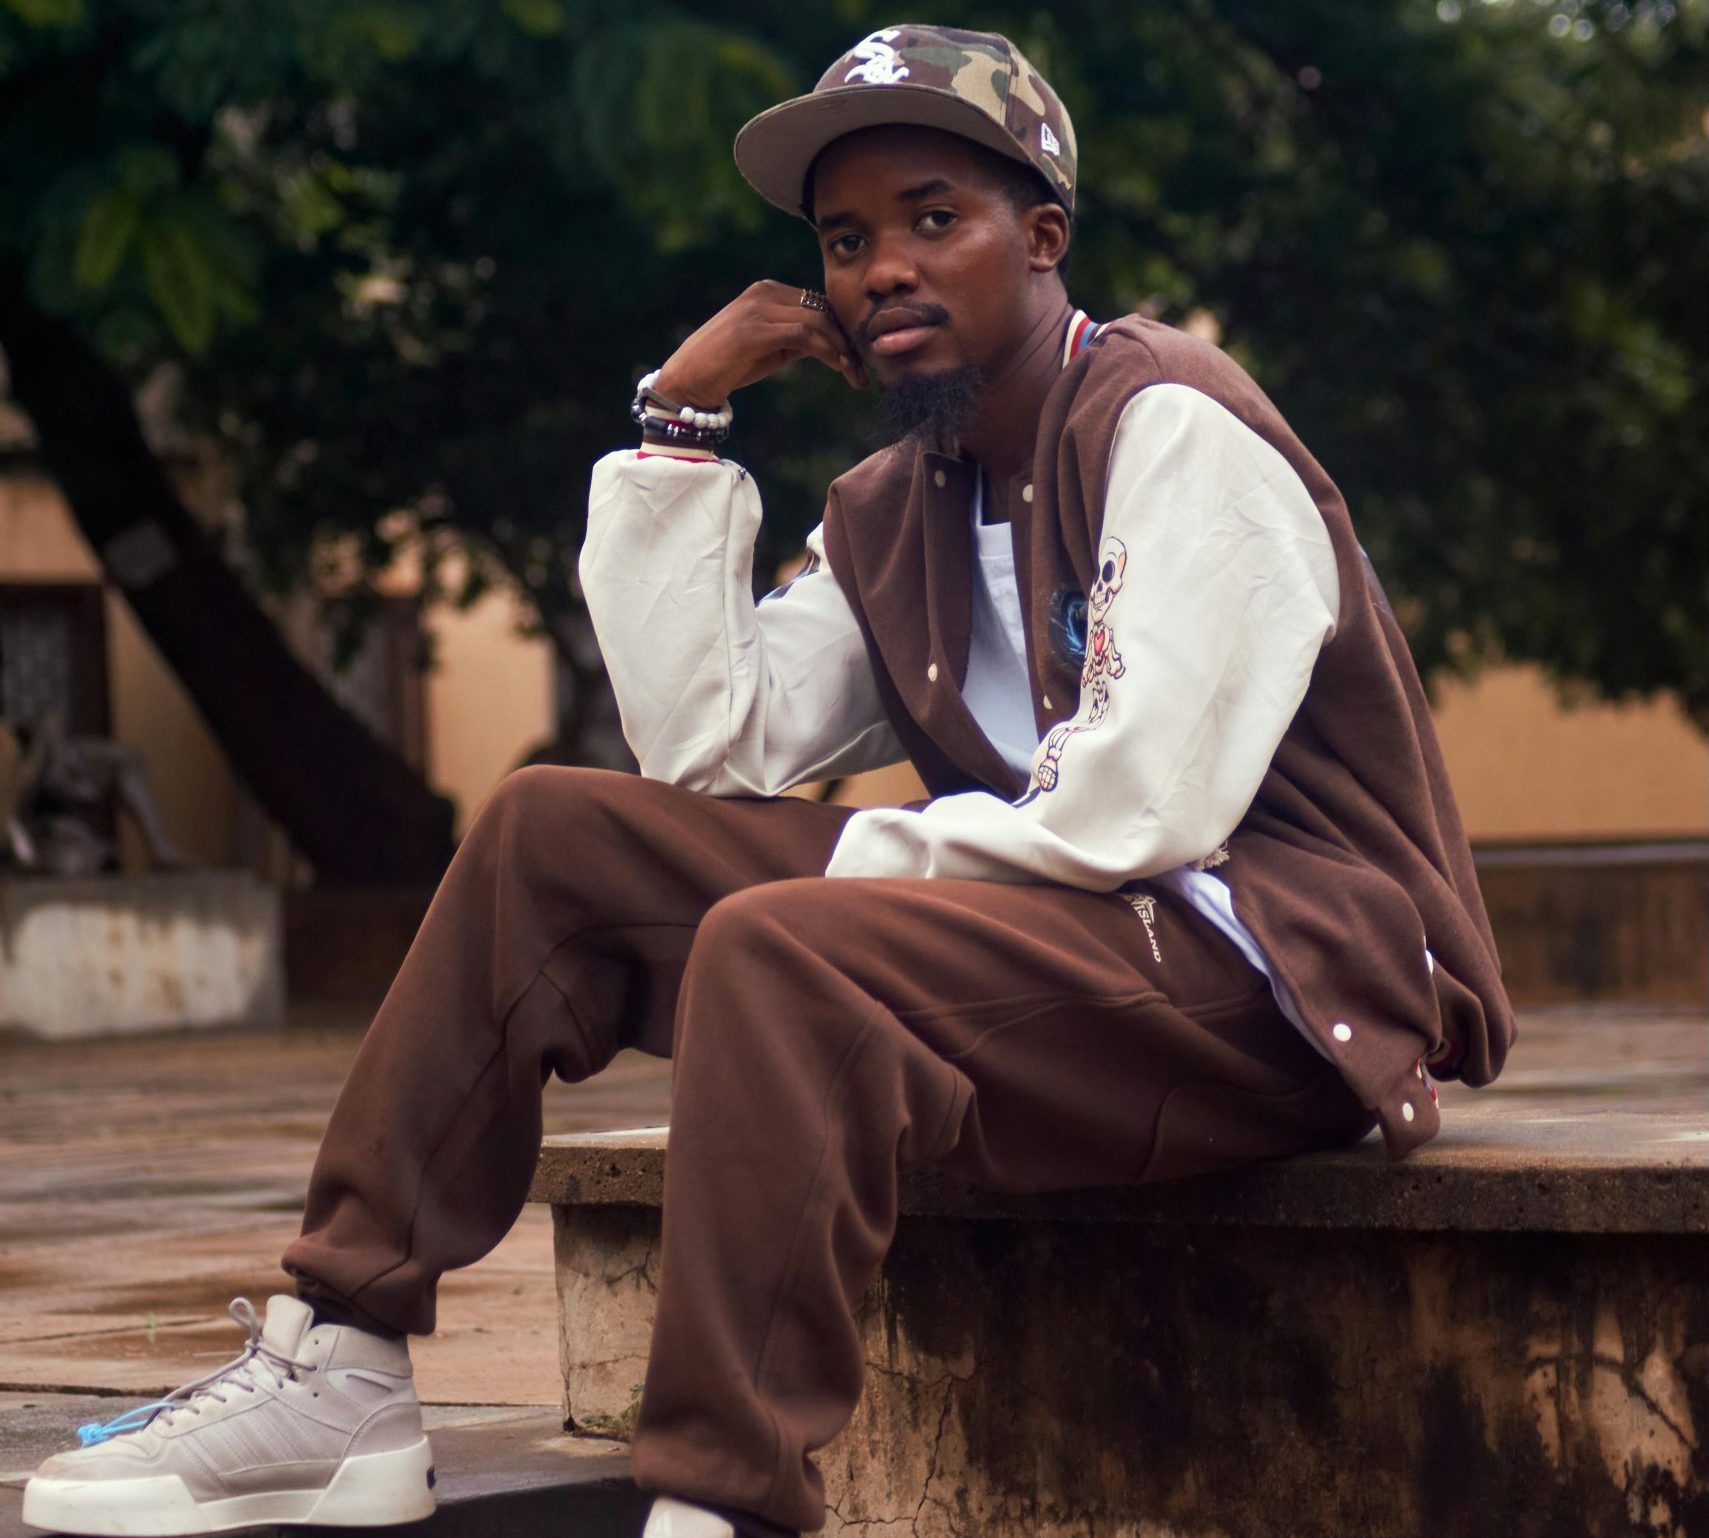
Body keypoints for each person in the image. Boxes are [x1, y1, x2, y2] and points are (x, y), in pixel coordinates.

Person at [22, 23, 1515, 1538]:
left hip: (1275, 981)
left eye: (936, 219)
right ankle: (337, 1357)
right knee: (552, 831)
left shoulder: (1166, 421)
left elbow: (1139, 804)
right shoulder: (896, 505)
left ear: (1043, 236)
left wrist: (847, 878)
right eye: (846, 239)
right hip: (1060, 969)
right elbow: (711, 746)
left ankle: (718, 1503)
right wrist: (678, 419)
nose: (882, 270)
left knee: (780, 943)